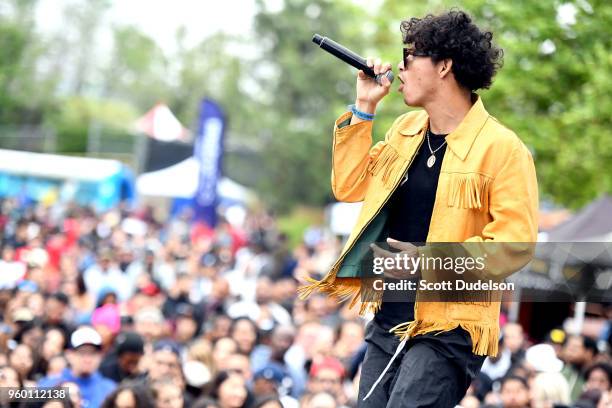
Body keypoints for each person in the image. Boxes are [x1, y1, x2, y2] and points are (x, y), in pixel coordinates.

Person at [299, 9, 538, 408]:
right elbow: (349, 185)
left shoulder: (502, 148)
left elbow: (515, 244)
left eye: (409, 57)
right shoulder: (405, 130)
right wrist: (364, 108)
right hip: (390, 316)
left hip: (450, 328)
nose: (401, 67)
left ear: (444, 66)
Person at [38, 326, 116, 408]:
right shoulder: (49, 385)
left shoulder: (109, 389)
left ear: (101, 356)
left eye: (93, 353)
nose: (88, 359)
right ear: (69, 355)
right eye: (82, 353)